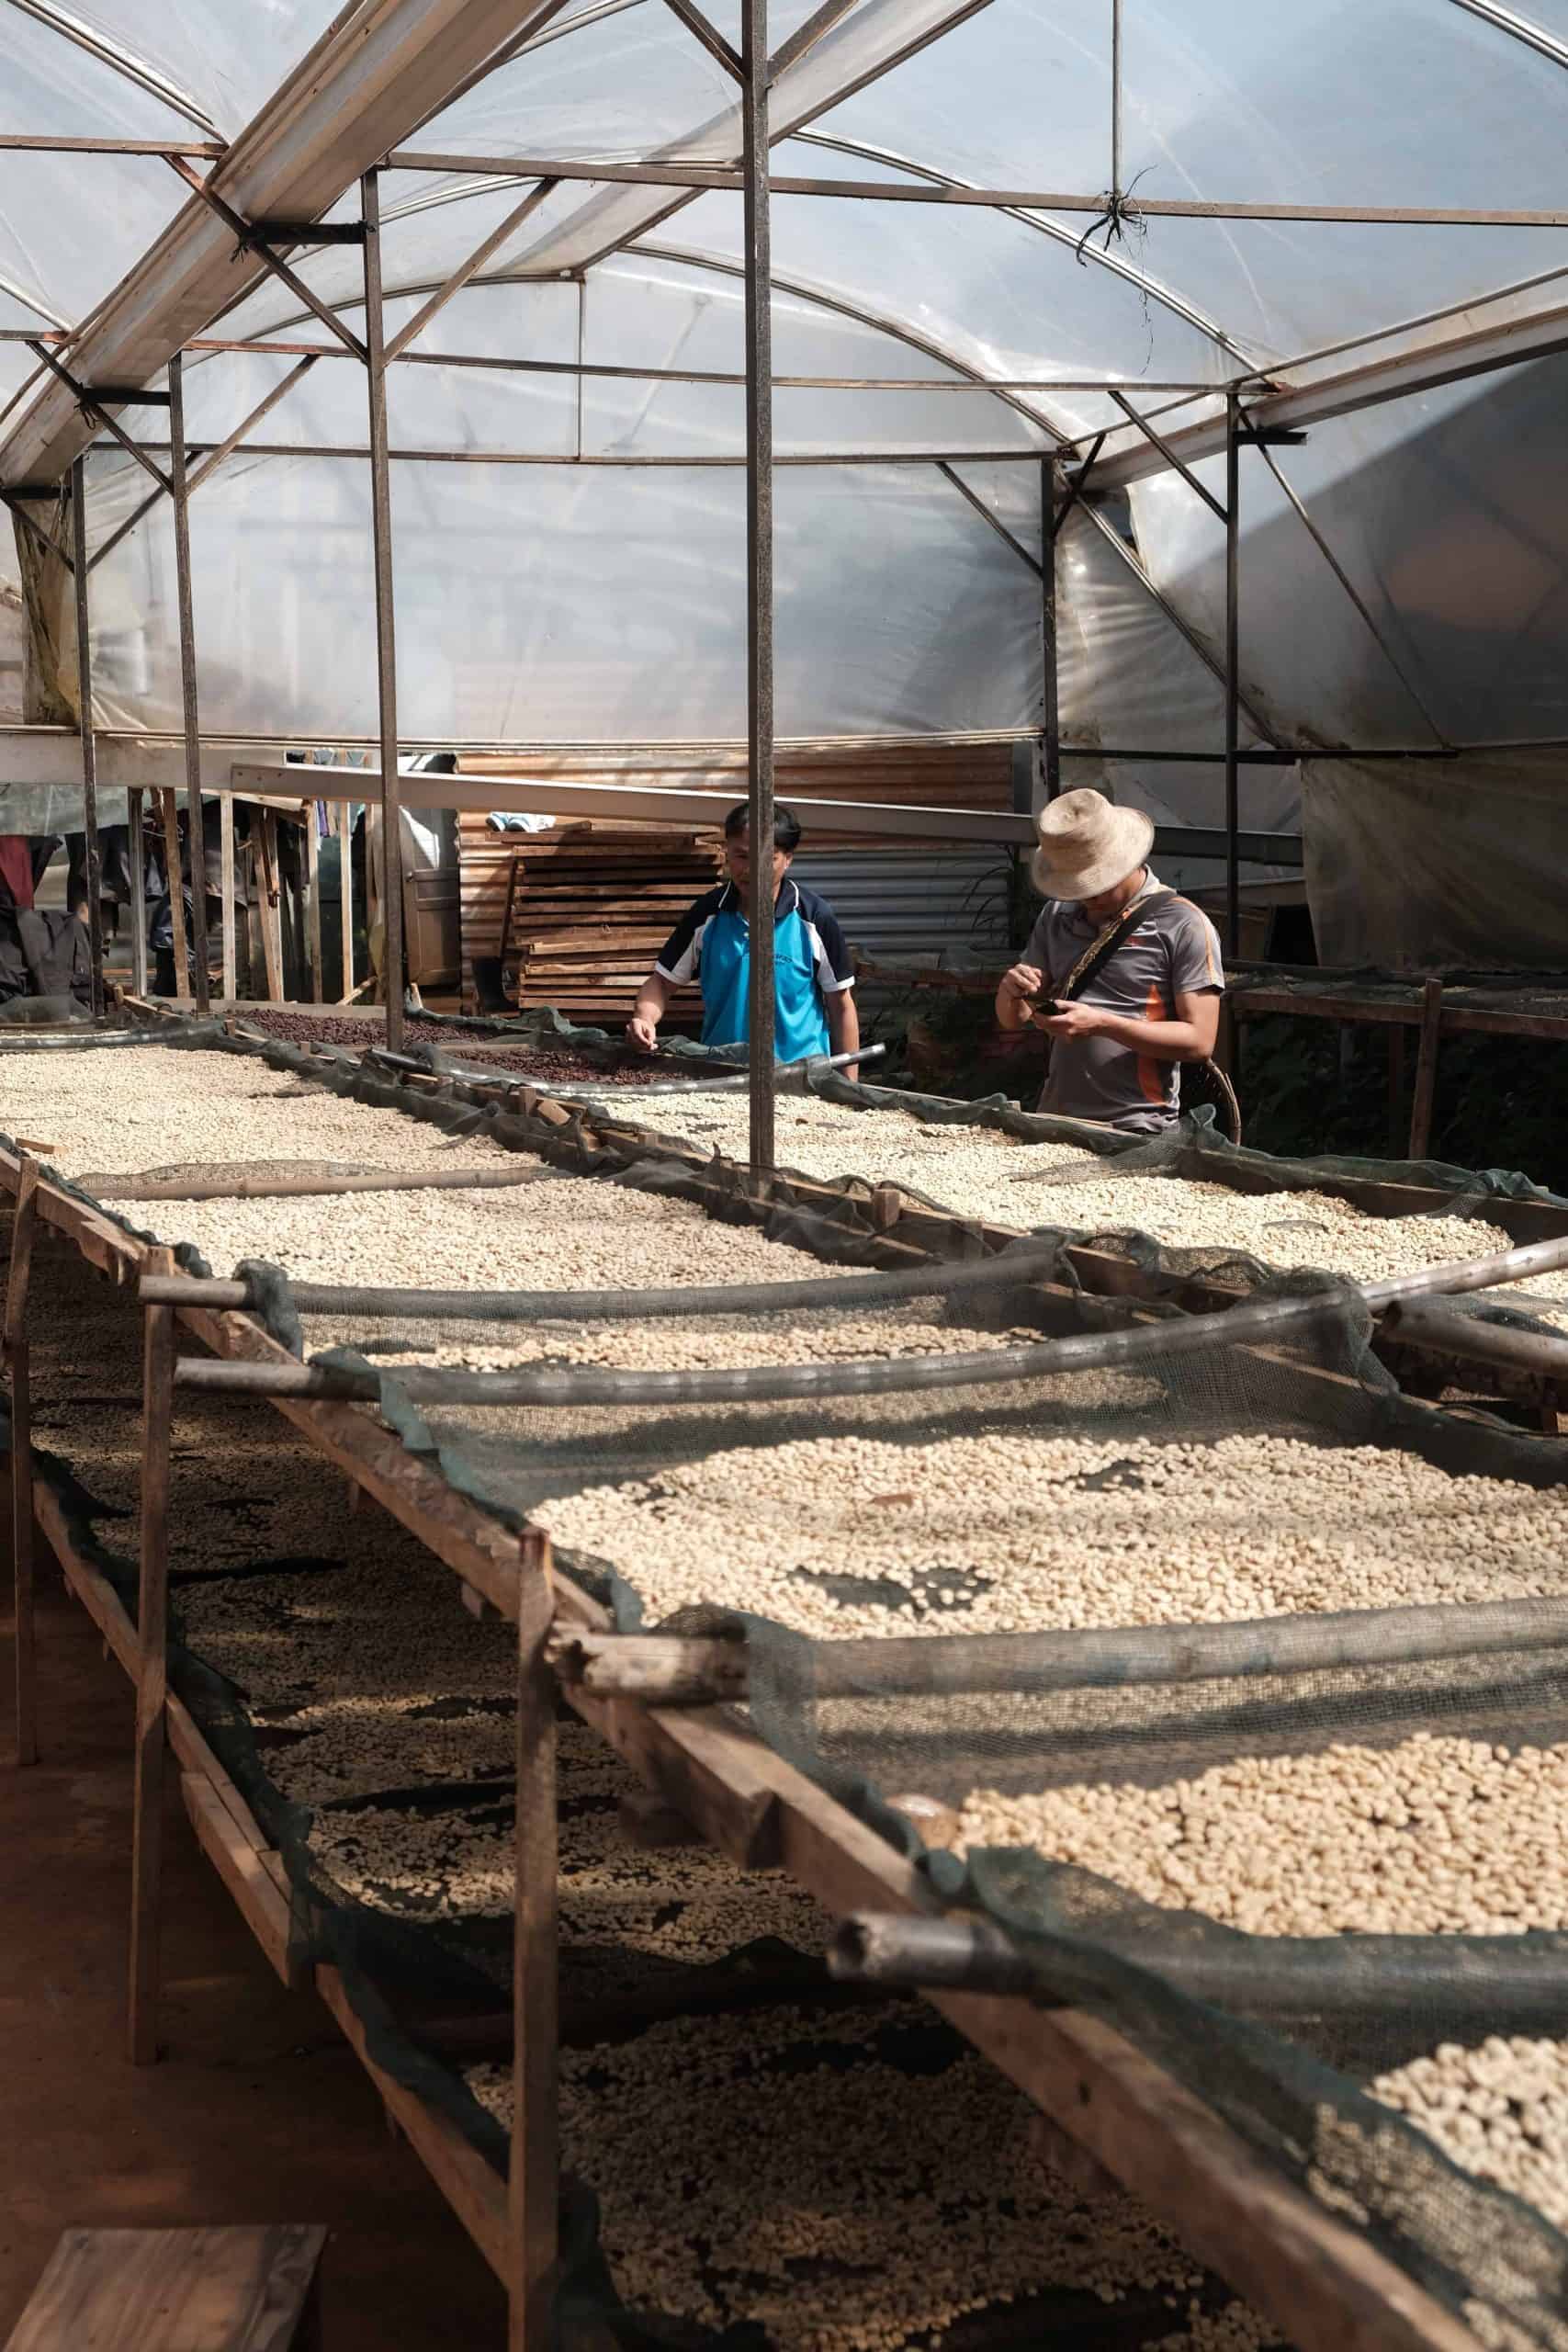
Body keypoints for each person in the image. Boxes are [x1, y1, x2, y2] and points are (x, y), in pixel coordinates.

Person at [995, 787, 1224, 1131]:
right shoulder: (1057, 915)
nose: (1087, 896)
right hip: (1054, 1119)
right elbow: (1015, 1019)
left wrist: (1104, 1024)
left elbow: (1199, 1041)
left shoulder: (1183, 924)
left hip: (1137, 1128)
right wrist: (1011, 991)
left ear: (1124, 860)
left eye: (1095, 883)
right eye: (1077, 887)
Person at [627, 804, 859, 1069]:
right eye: (741, 856)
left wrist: (848, 1089)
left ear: (788, 859)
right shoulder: (707, 914)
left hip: (802, 1078)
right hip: (721, 1073)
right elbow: (661, 983)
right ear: (727, 852)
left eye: (766, 858)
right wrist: (644, 1018)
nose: (751, 869)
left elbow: (841, 1007)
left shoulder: (814, 918)